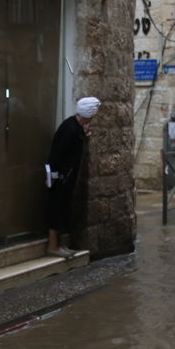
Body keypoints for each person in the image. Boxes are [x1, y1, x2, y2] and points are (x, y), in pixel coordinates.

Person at [45, 96, 98, 257]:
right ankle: (53, 246)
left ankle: (60, 244)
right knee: (56, 209)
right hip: (60, 177)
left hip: (66, 177)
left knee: (63, 209)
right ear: (88, 115)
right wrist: (55, 175)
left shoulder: (76, 127)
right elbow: (58, 153)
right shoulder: (70, 128)